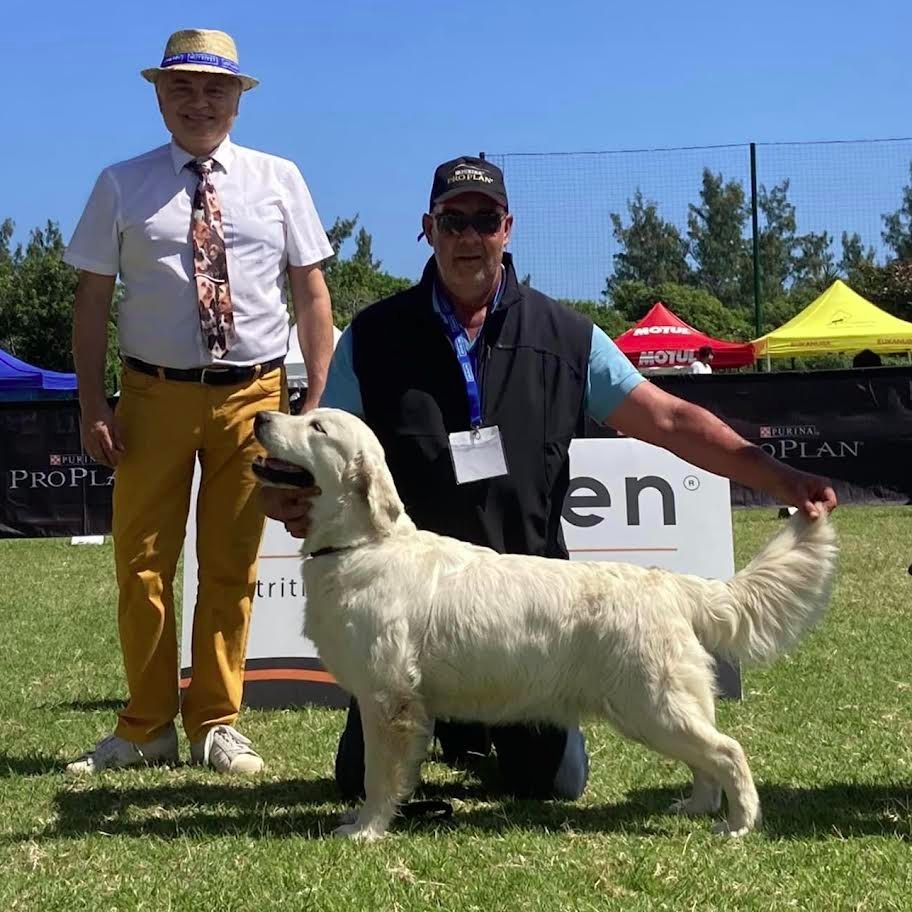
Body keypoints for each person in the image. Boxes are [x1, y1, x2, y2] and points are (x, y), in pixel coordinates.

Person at [261, 155, 837, 803]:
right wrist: (287, 495)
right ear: (429, 228)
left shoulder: (568, 338)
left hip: (531, 624)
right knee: (354, 782)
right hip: (408, 612)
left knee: (553, 785)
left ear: (507, 228)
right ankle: (443, 732)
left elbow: (670, 419)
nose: (468, 237)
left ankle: (479, 738)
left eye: (484, 221)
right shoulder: (373, 337)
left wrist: (776, 475)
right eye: (453, 221)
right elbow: (318, 444)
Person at [65, 29, 335, 775]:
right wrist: (93, 402)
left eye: (214, 89)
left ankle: (216, 720)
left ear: (238, 101)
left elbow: (312, 293)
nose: (198, 103)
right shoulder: (120, 183)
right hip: (151, 393)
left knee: (231, 566)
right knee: (143, 566)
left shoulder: (279, 178)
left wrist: (316, 397)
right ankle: (146, 725)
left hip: (256, 396)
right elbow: (92, 302)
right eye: (181, 88)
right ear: (158, 96)